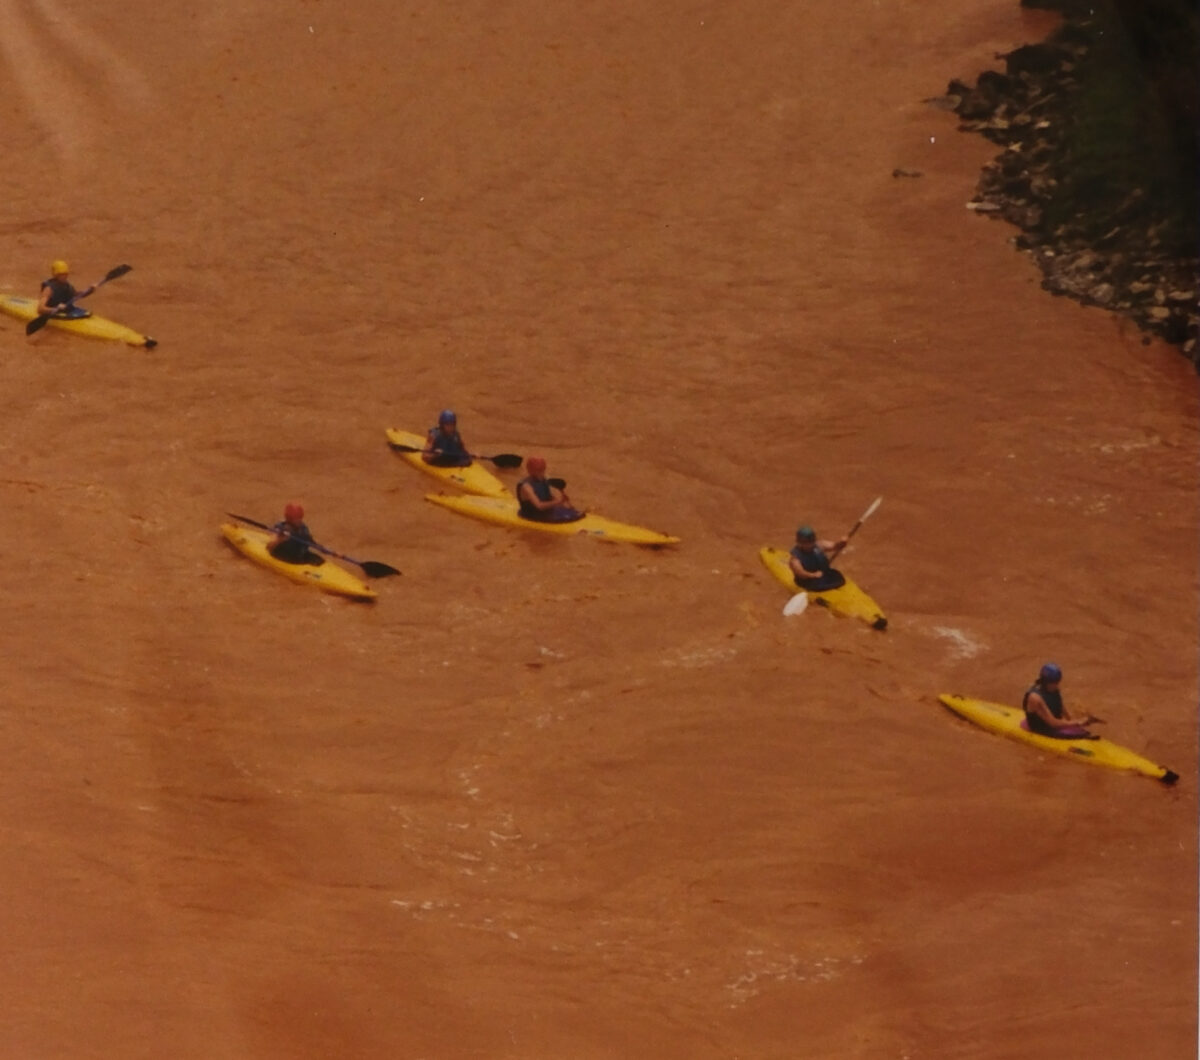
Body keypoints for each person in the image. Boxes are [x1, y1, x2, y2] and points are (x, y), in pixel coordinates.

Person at [1022, 663, 1095, 738]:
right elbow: (1053, 723)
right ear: (1045, 682)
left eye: (1057, 682)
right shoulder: (1035, 698)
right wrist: (1077, 722)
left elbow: (1060, 705)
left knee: (1080, 732)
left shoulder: (1053, 688)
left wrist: (1072, 721)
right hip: (1043, 728)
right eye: (1055, 683)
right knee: (1083, 735)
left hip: (1053, 725)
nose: (1057, 685)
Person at [516, 456, 584, 523]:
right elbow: (539, 506)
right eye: (539, 470)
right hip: (532, 515)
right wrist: (558, 501)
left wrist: (563, 504)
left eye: (543, 469)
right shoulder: (526, 487)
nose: (542, 472)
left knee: (573, 512)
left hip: (545, 512)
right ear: (531, 471)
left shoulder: (543, 480)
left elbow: (549, 497)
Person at [788, 525, 848, 591]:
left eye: (811, 542)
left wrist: (842, 543)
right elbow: (801, 573)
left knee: (838, 577)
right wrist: (813, 575)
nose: (809, 545)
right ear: (800, 543)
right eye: (806, 543)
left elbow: (835, 546)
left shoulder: (820, 545)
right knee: (818, 584)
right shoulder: (795, 559)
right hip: (808, 581)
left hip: (822, 574)